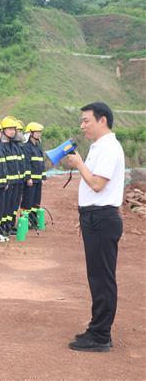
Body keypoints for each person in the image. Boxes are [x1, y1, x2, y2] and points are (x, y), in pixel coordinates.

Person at [66, 102, 124, 353]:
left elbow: (98, 184)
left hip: (102, 218)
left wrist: (79, 164)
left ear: (102, 121)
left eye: (86, 120)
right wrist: (84, 215)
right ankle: (98, 328)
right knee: (97, 276)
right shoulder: (99, 146)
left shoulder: (110, 147)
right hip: (95, 217)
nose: (82, 125)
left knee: (102, 278)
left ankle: (100, 335)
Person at [0, 116, 22, 236]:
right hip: (8, 181)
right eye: (9, 129)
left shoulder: (14, 145)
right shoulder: (2, 146)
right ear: (3, 130)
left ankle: (9, 225)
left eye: (14, 129)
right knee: (5, 205)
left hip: (16, 181)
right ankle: (3, 226)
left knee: (13, 205)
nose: (12, 131)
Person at [22, 122, 46, 228]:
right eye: (37, 132)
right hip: (31, 180)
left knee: (36, 201)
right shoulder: (26, 147)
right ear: (30, 133)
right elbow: (26, 163)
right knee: (28, 200)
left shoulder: (38, 146)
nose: (39, 134)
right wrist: (28, 178)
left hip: (38, 179)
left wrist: (43, 176)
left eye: (40, 132)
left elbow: (42, 162)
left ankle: (33, 221)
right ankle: (25, 221)